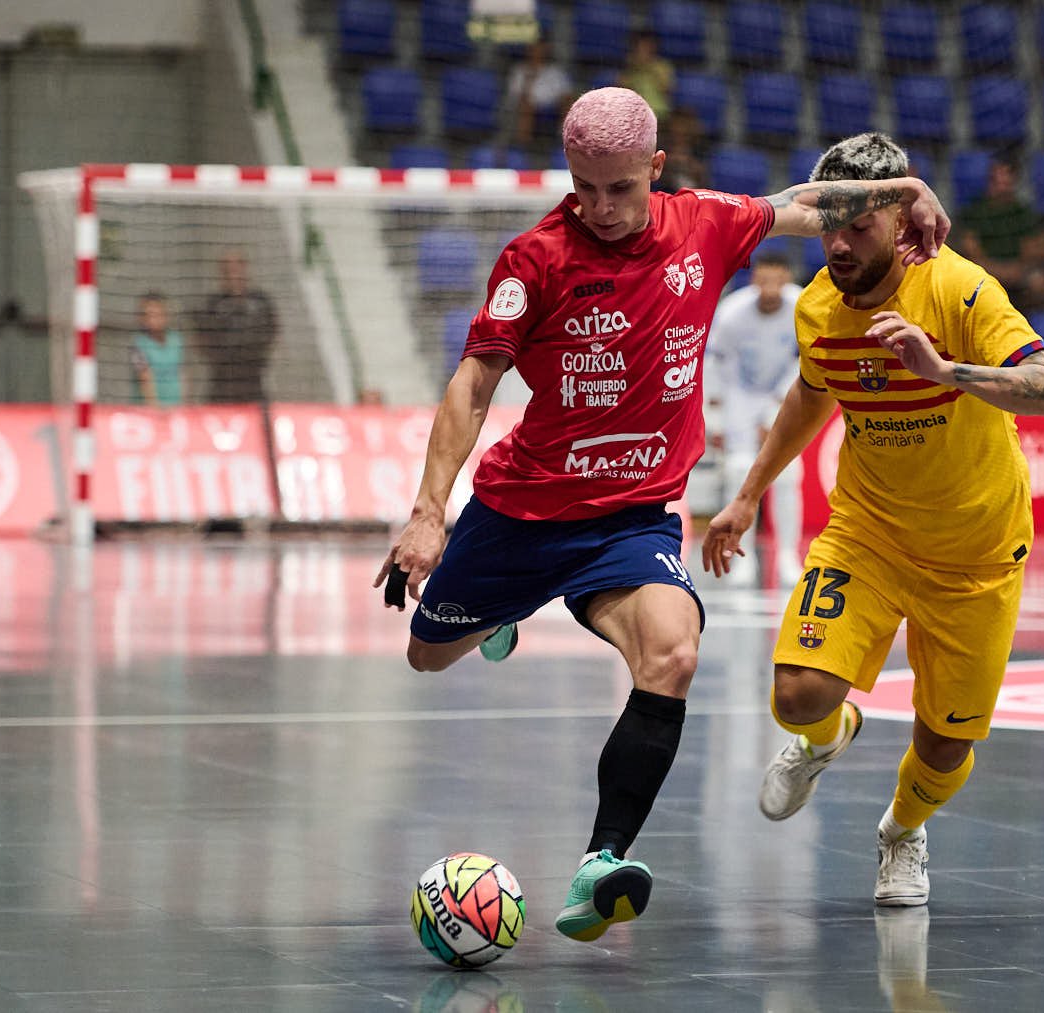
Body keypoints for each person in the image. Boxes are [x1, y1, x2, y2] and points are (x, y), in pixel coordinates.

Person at [374, 89, 950, 942]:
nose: (600, 208)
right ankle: (501, 612)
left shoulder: (707, 223)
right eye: (583, 188)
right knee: (429, 653)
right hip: (524, 511)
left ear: (655, 168)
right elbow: (473, 383)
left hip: (634, 517)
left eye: (619, 188)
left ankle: (602, 860)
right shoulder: (532, 260)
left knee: (675, 649)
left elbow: (807, 204)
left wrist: (905, 189)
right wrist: (430, 512)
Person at [701, 132, 1044, 908]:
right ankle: (829, 736)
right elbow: (811, 393)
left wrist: (945, 372)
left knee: (946, 743)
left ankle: (902, 831)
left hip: (977, 551)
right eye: (827, 224)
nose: (835, 242)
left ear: (900, 225)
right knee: (797, 694)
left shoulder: (961, 291)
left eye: (856, 227)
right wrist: (748, 496)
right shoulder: (818, 307)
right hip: (868, 531)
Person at [707, 249, 804, 586]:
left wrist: (776, 411)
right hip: (739, 399)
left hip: (783, 396)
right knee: (738, 474)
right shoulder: (732, 312)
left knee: (789, 476)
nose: (770, 287)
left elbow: (805, 362)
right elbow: (715, 364)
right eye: (763, 279)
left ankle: (789, 556)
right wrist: (716, 418)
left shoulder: (802, 306)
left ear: (787, 278)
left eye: (777, 279)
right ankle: (738, 554)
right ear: (755, 279)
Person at [956, 159, 1044, 306]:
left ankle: (1028, 324)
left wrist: (1014, 271)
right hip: (984, 270)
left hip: (1018, 271)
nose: (999, 184)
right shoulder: (974, 211)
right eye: (995, 178)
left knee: (1038, 282)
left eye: (1005, 178)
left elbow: (1031, 253)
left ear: (1014, 181)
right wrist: (997, 271)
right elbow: (972, 252)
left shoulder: (1023, 212)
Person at [196, 251, 277, 404]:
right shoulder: (213, 304)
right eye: (227, 269)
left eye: (236, 267)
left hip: (254, 382)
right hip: (222, 384)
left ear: (244, 268)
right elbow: (203, 339)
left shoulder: (260, 301)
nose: (232, 273)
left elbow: (272, 332)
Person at [506, 37, 574, 153]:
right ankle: (524, 149)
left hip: (552, 109)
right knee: (526, 107)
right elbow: (517, 97)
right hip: (529, 108)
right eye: (535, 49)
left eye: (541, 49)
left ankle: (565, 143)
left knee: (567, 104)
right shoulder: (520, 71)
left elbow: (566, 95)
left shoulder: (555, 71)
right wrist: (529, 80)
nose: (538, 52)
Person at [132, 291, 186, 407]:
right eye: (147, 315)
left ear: (166, 315)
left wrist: (182, 405)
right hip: (149, 411)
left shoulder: (176, 340)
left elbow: (182, 374)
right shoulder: (138, 346)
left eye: (157, 314)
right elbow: (145, 378)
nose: (152, 320)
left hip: (175, 407)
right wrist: (155, 409)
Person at [616, 30, 674, 121]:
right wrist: (633, 69)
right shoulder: (629, 66)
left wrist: (650, 68)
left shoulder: (662, 66)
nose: (646, 48)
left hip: (659, 113)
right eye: (642, 45)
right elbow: (621, 89)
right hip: (634, 113)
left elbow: (667, 89)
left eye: (649, 45)